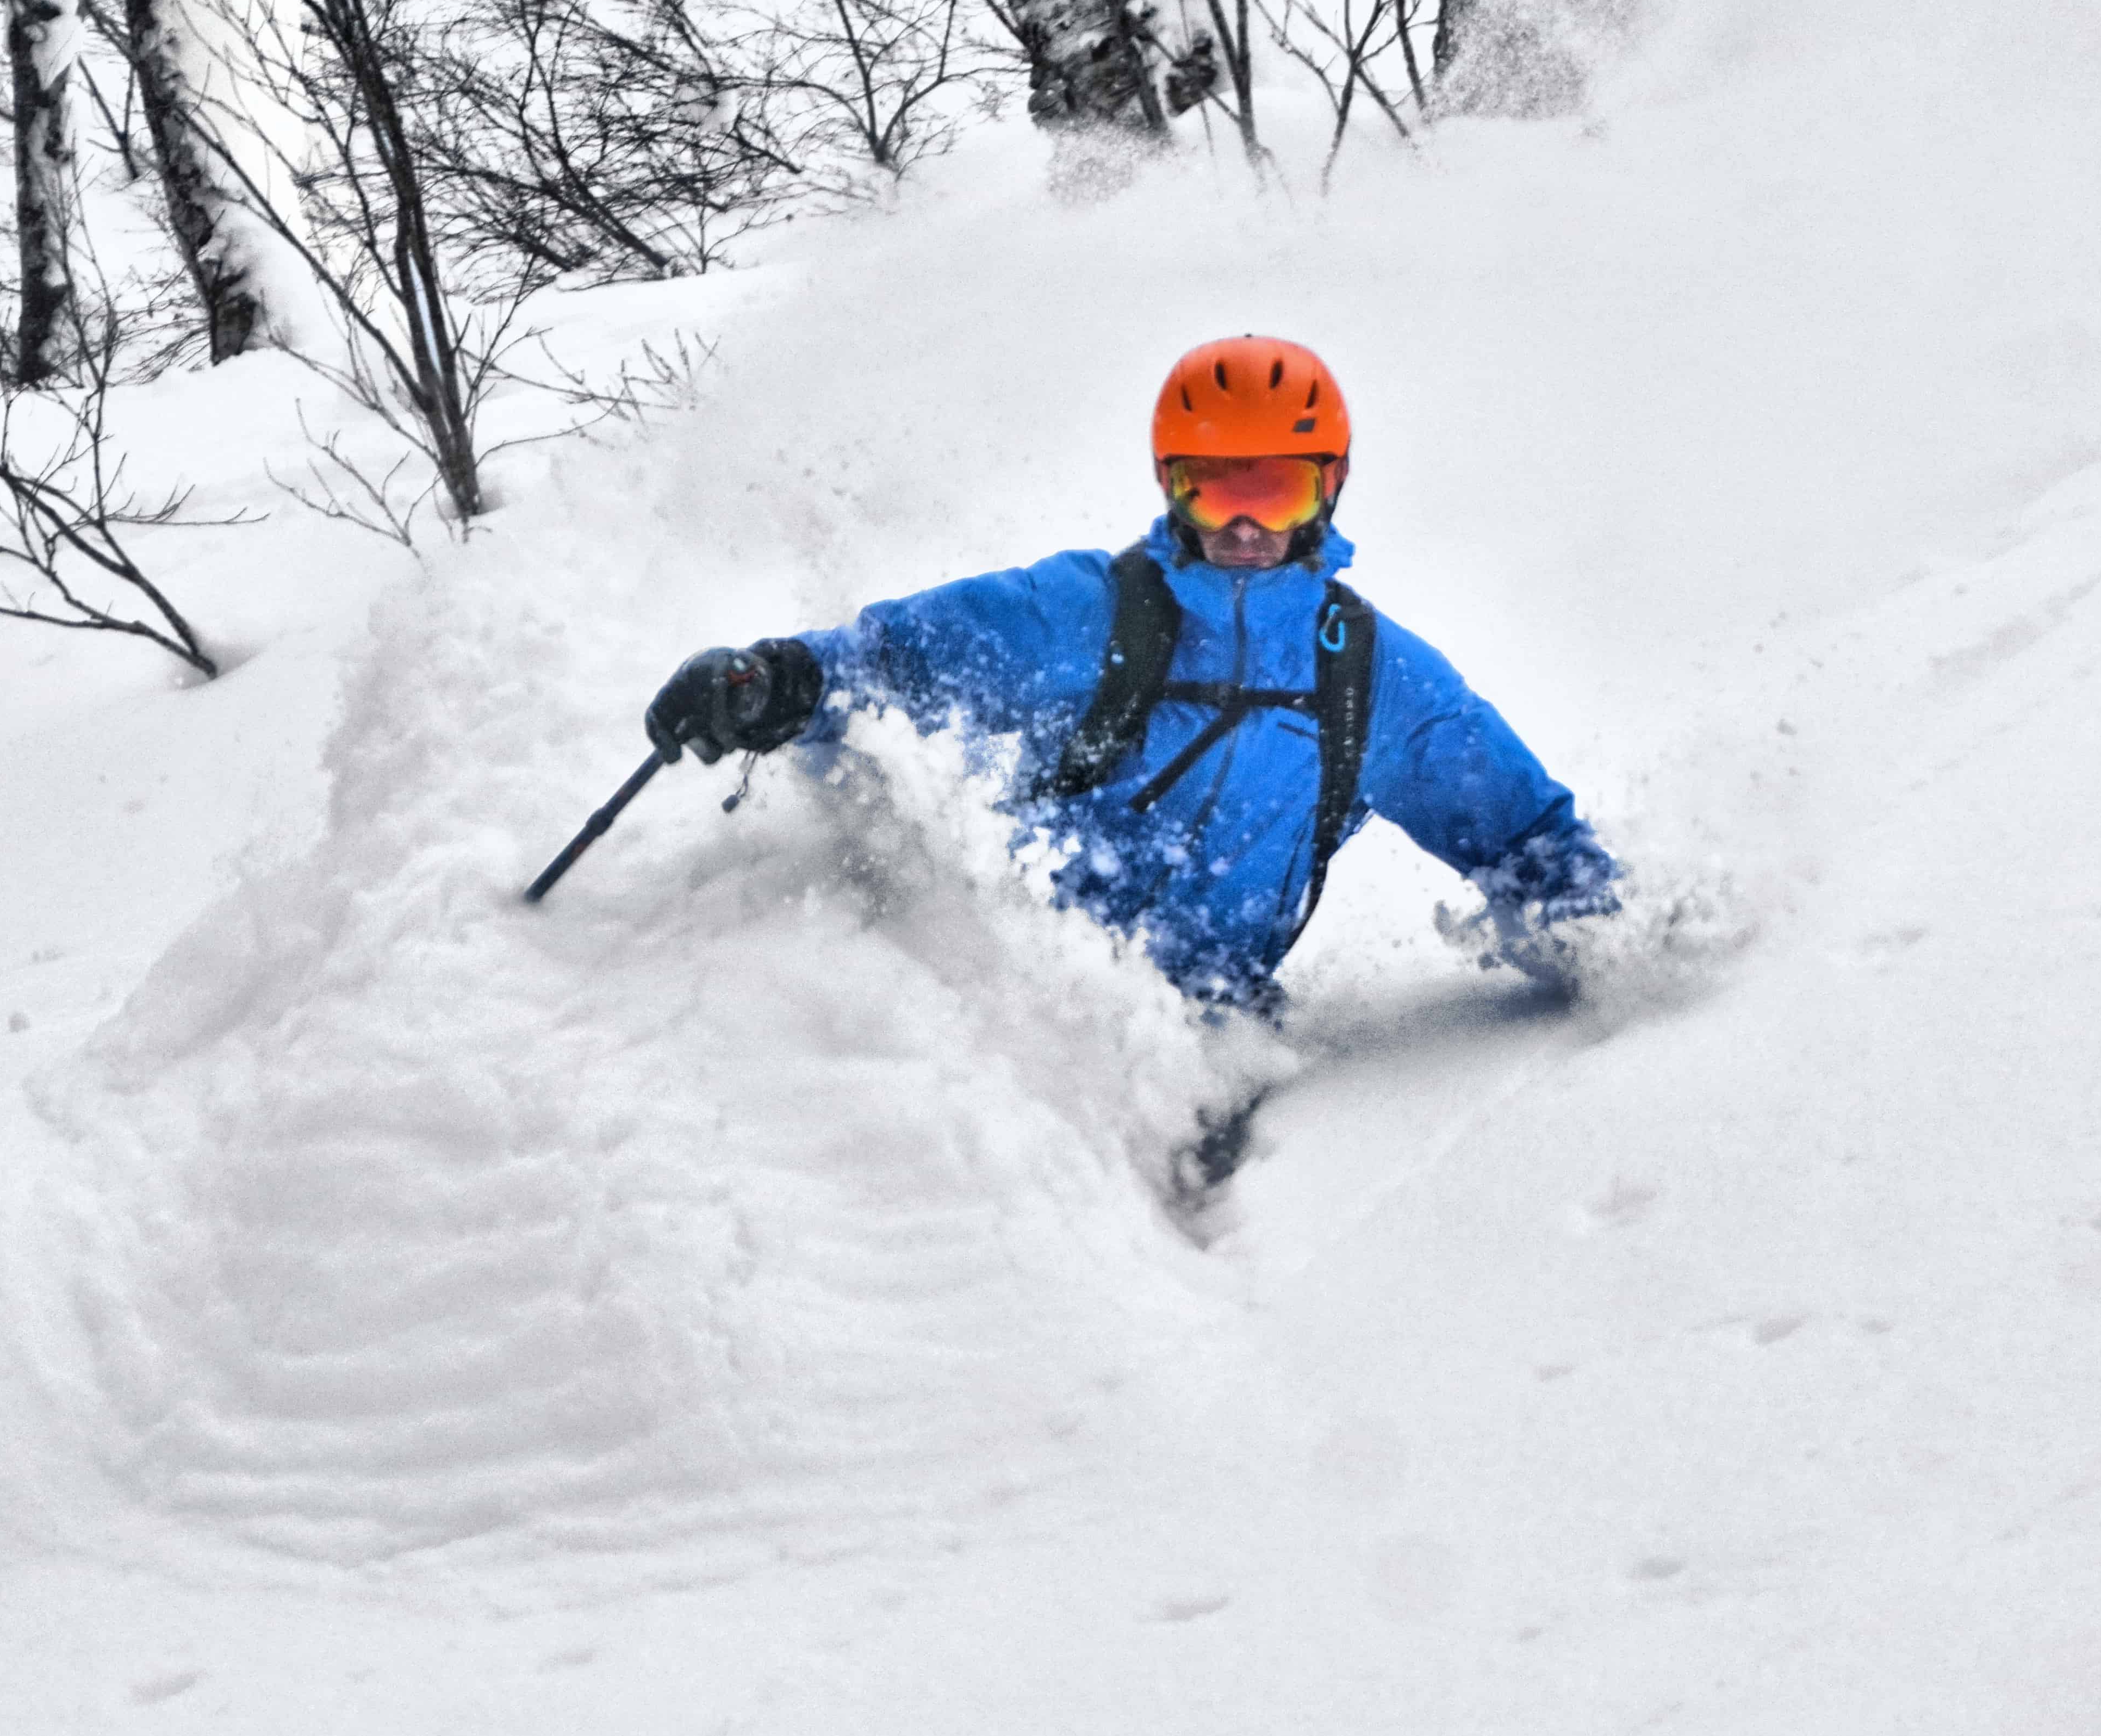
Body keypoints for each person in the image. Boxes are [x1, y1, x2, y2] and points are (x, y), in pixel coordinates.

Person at [643, 335, 1619, 1186]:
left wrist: (1620, 949)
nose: (1245, 525)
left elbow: (1522, 835)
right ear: (1172, 487)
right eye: (1215, 488)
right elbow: (889, 664)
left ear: (1328, 488)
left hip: (1218, 1050)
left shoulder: (1370, 677)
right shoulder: (1082, 614)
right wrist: (771, 682)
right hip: (1025, 1013)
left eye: (1275, 490)